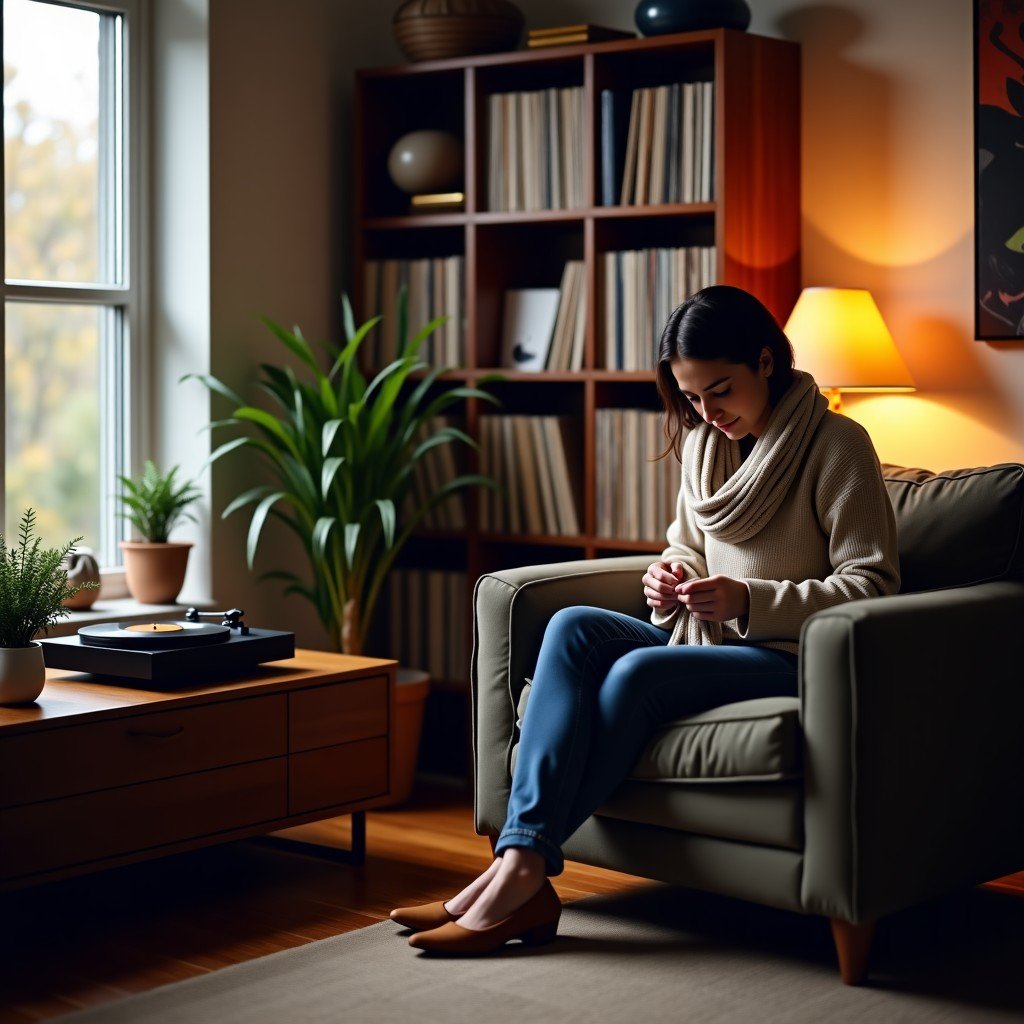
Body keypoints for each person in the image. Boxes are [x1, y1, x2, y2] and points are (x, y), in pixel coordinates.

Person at [390, 284, 900, 955]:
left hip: (792, 657)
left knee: (639, 670)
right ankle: (516, 871)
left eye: (720, 390)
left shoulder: (839, 444)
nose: (707, 412)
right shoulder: (701, 447)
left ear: (766, 362)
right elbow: (686, 545)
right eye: (691, 398)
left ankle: (515, 875)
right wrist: (667, 580)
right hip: (704, 637)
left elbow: (872, 585)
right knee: (574, 626)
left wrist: (751, 600)